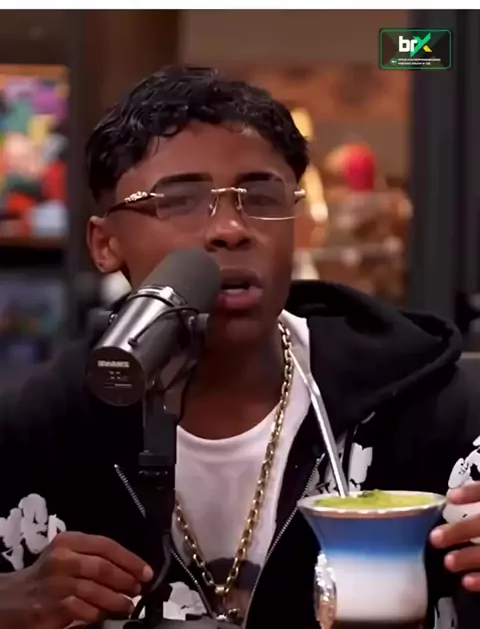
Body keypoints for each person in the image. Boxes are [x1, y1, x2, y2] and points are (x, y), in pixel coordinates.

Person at [1, 65, 480, 629]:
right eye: (180, 200)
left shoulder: (434, 411)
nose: (230, 228)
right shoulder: (40, 428)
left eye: (260, 196)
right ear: (105, 244)